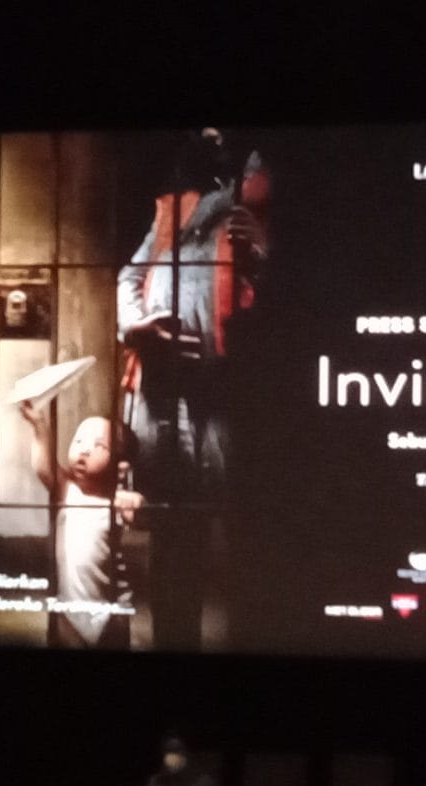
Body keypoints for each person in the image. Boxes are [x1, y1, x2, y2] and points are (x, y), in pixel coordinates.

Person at [116, 128, 271, 500]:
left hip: (222, 382)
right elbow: (130, 276)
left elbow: (296, 301)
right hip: (158, 379)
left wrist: (264, 249)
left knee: (218, 496)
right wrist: (134, 327)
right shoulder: (176, 211)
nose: (211, 143)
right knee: (156, 494)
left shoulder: (261, 212)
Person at [20, 403, 144, 647]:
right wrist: (40, 426)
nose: (84, 450)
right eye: (78, 441)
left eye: (98, 445)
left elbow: (143, 514)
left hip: (111, 609)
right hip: (69, 605)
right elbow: (43, 467)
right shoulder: (68, 491)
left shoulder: (117, 501)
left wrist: (137, 505)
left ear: (121, 467)